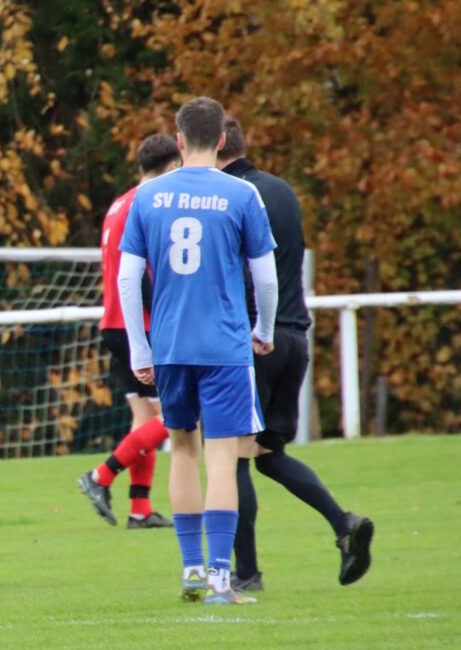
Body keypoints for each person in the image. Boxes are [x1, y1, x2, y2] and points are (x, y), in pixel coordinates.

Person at [117, 96, 280, 605]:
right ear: (223, 140)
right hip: (224, 346)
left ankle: (190, 570)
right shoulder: (242, 194)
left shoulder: (147, 195)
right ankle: (219, 580)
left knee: (182, 450)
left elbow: (127, 279)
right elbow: (266, 276)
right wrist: (264, 328)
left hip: (170, 346)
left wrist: (140, 349)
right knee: (222, 456)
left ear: (179, 139)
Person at [216, 117, 375, 591]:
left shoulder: (229, 196)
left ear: (215, 146)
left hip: (254, 339)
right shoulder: (282, 190)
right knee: (268, 454)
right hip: (295, 338)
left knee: (232, 457)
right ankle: (344, 523)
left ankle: (246, 573)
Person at [78, 134, 180, 530]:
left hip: (115, 323)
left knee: (145, 417)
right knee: (178, 415)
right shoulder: (148, 203)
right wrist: (167, 314)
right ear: (172, 166)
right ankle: (100, 476)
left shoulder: (120, 202)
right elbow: (139, 275)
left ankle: (140, 508)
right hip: (142, 324)